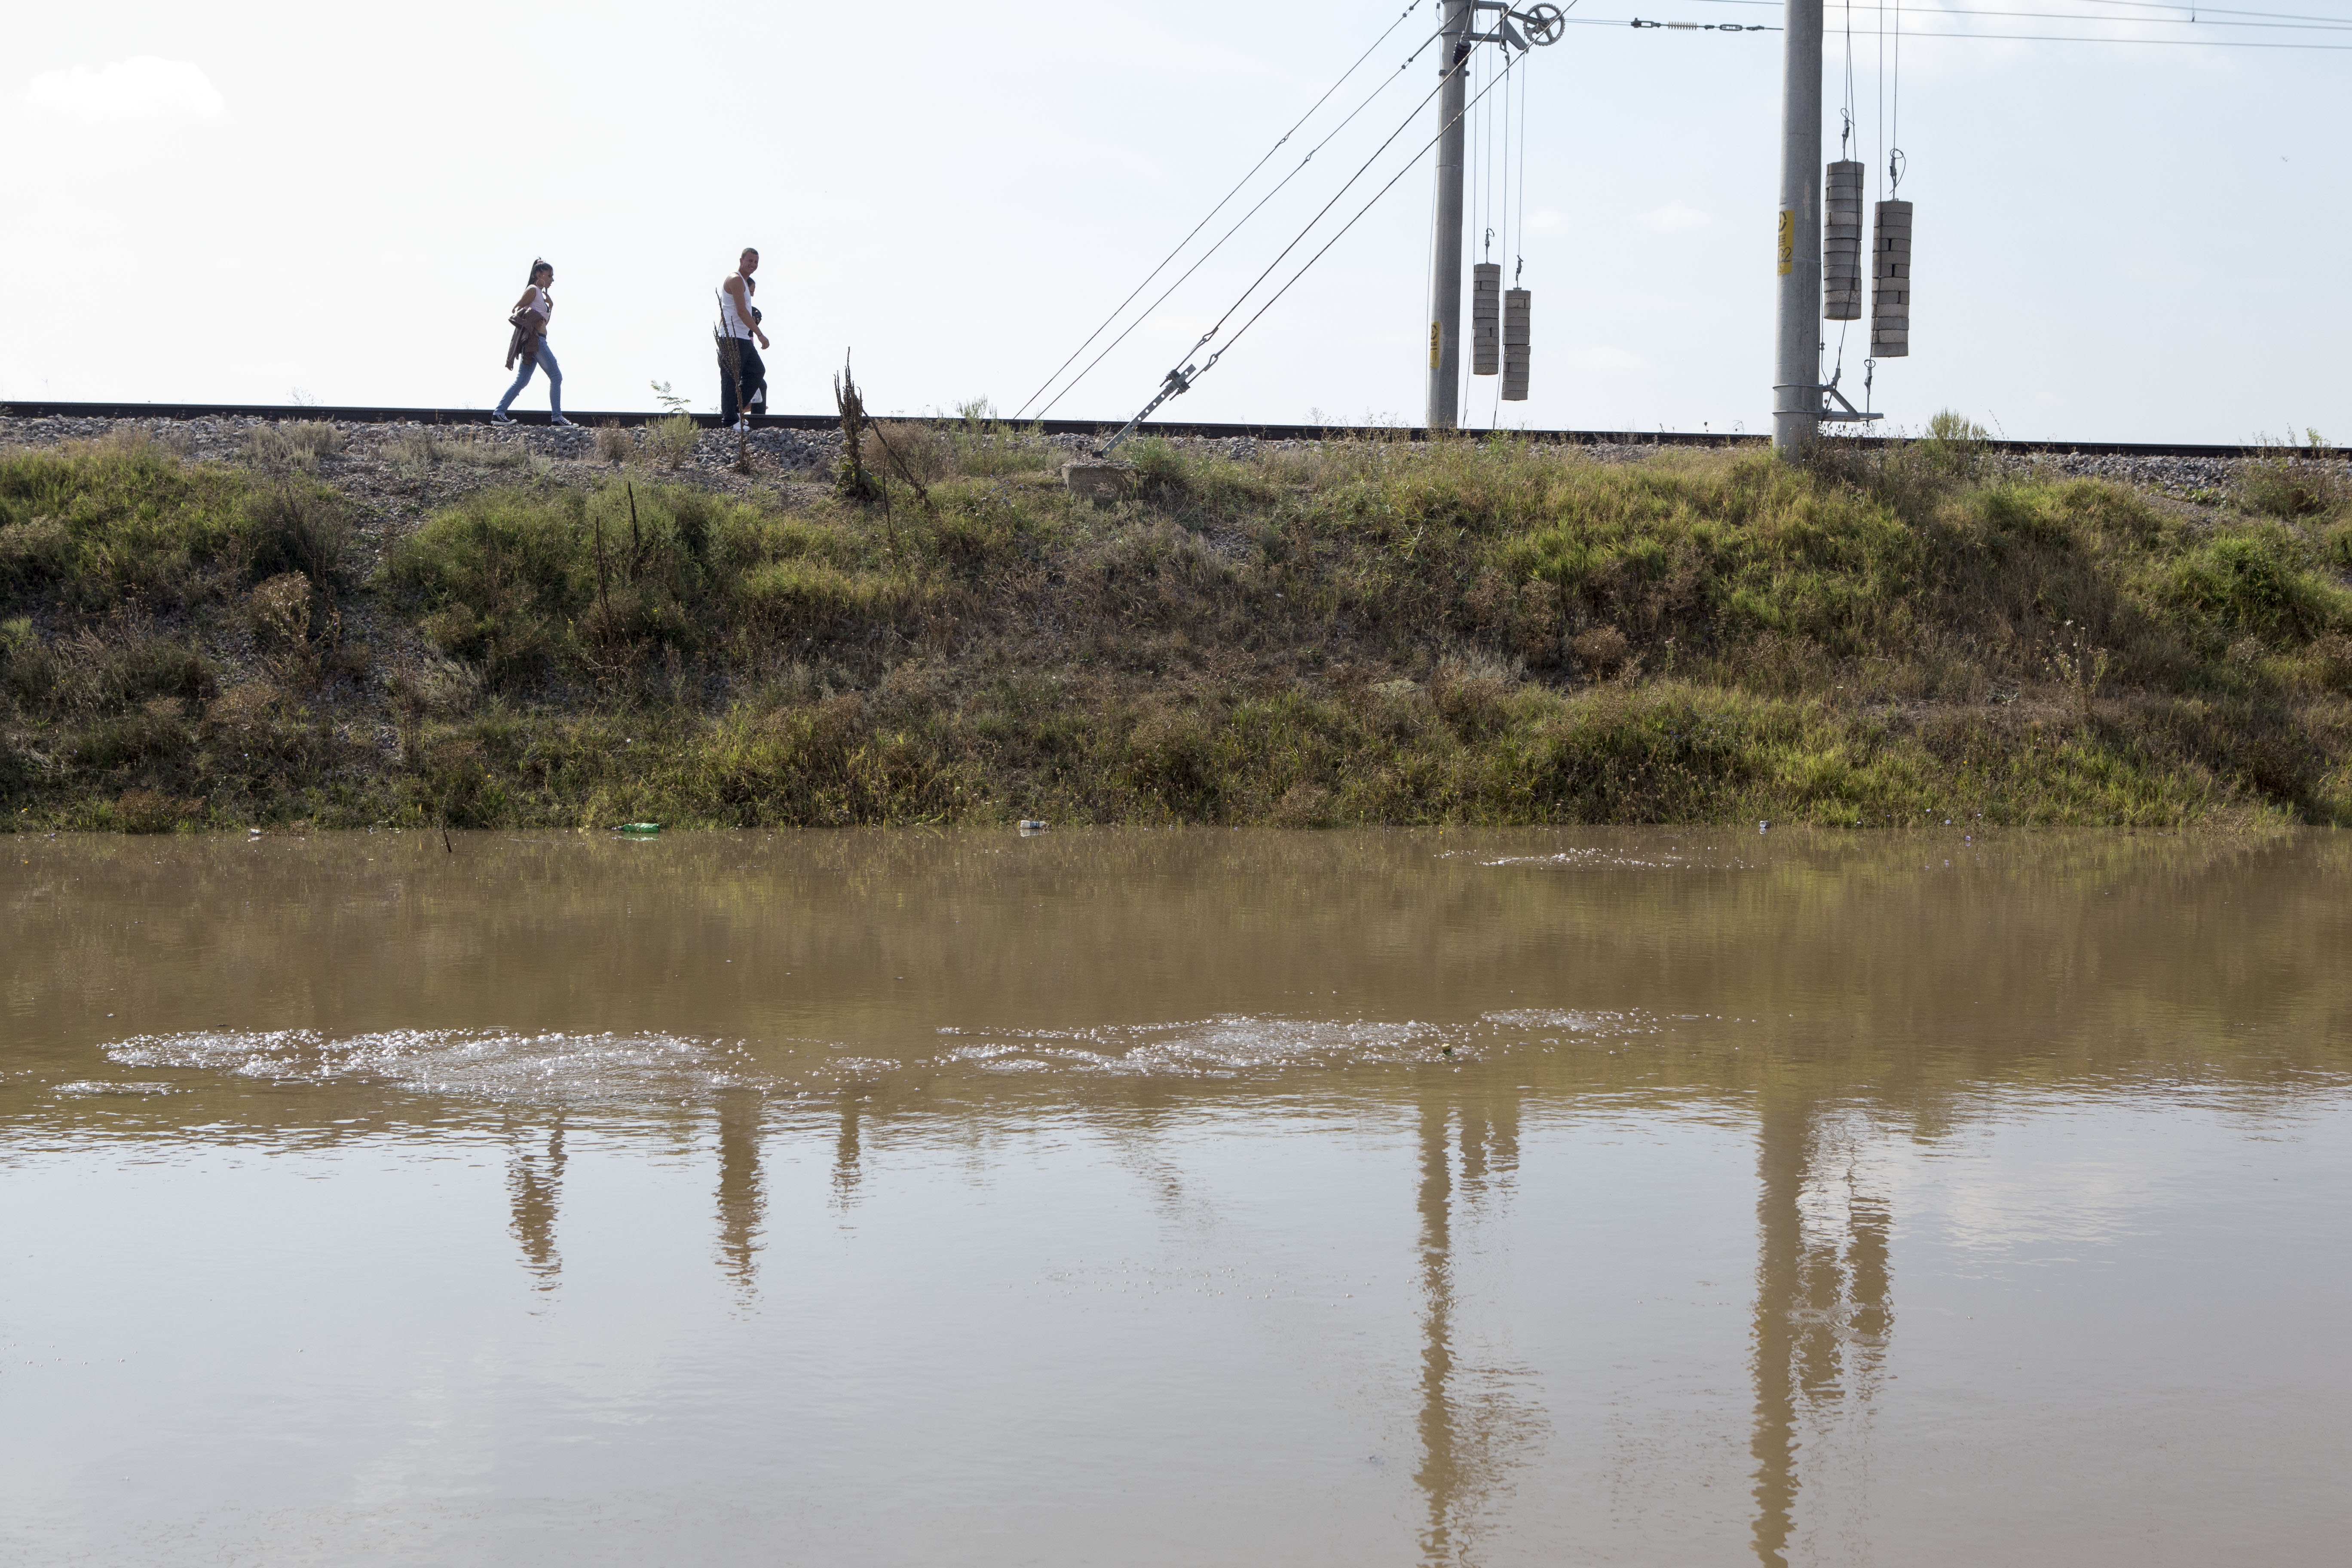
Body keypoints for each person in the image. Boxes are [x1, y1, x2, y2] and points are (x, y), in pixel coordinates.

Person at [493, 259, 572, 426]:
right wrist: (533, 317)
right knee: (556, 376)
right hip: (536, 342)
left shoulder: (541, 297)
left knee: (522, 380)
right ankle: (557, 418)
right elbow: (516, 310)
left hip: (536, 342)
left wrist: (550, 307)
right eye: (549, 276)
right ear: (539, 275)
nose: (552, 280)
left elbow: (544, 324)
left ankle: (499, 414)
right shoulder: (533, 290)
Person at [717, 248, 771, 432]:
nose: (753, 265)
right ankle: (729, 421)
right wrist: (759, 334)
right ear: (741, 261)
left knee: (757, 371)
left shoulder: (745, 283)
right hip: (731, 337)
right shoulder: (736, 280)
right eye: (750, 261)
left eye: (756, 262)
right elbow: (741, 311)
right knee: (731, 378)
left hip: (741, 337)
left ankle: (734, 411)